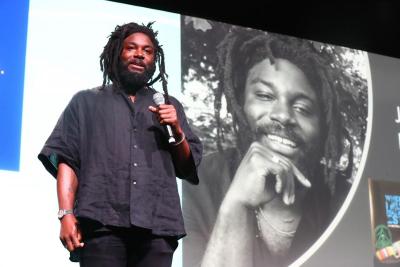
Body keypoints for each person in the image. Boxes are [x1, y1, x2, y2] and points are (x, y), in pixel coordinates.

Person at [182, 26, 366, 267]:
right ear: (240, 104)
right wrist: (237, 204)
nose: (282, 115)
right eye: (265, 96)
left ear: (323, 128)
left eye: (302, 108)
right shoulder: (192, 186)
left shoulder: (345, 202)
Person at [38, 22, 202, 267]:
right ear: (117, 53)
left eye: (147, 51)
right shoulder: (86, 102)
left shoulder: (170, 105)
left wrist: (177, 130)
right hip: (103, 224)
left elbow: (187, 167)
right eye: (131, 48)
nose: (139, 54)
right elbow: (67, 160)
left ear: (154, 60)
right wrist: (66, 214)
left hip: (157, 227)